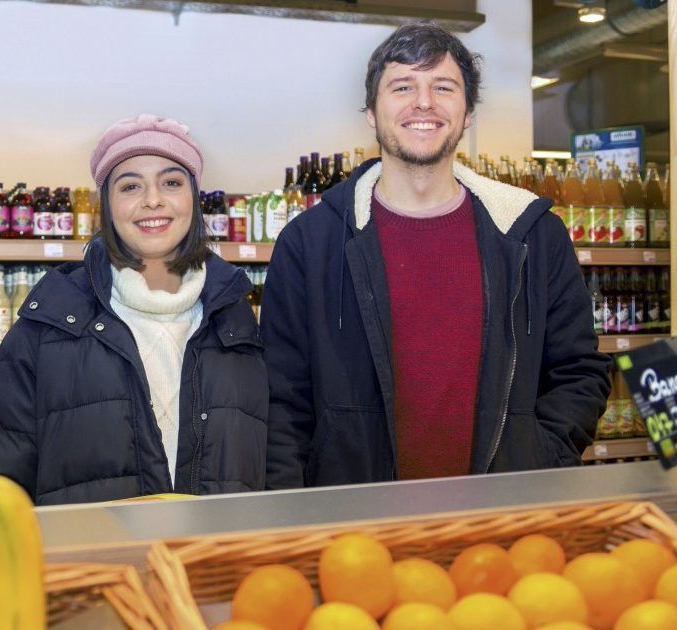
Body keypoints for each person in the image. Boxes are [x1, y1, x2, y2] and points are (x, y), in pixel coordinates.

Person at [262, 23, 611, 488]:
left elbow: (579, 372)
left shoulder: (532, 235)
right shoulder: (311, 242)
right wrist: (297, 508)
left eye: (443, 87)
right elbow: (281, 398)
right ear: (371, 112)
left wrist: (538, 458)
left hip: (500, 515)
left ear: (468, 114)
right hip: (355, 518)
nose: (423, 102)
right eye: (403, 86)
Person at [0, 114, 267, 505]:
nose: (153, 200)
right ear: (106, 205)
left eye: (172, 183)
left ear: (194, 197)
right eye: (130, 186)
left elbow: (271, 467)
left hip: (221, 547)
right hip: (90, 548)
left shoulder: (234, 317)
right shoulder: (53, 320)